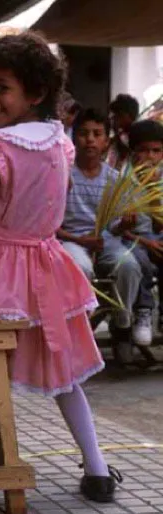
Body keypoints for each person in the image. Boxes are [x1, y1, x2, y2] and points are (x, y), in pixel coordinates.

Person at [0, 33, 122, 502]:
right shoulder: (58, 141)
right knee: (65, 370)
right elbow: (36, 203)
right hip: (46, 265)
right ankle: (97, 467)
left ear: (35, 93)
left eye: (1, 87)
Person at [55, 108, 153, 364]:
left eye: (97, 134)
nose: (90, 139)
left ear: (106, 142)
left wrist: (123, 225)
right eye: (84, 134)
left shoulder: (114, 179)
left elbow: (116, 226)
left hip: (106, 241)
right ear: (73, 138)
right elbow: (50, 225)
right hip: (71, 241)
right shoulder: (62, 176)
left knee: (129, 265)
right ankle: (80, 328)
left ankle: (122, 325)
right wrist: (81, 240)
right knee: (80, 267)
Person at [114, 119, 163, 348]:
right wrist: (145, 241)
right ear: (133, 154)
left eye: (156, 150)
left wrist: (154, 194)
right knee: (138, 257)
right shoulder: (123, 182)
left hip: (156, 239)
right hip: (131, 241)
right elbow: (117, 229)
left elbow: (159, 228)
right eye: (143, 150)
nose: (151, 156)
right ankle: (144, 309)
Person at [106, 93, 140, 172]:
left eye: (118, 116)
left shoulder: (138, 135)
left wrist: (116, 131)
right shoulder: (120, 135)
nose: (114, 119)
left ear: (130, 116)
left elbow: (125, 152)